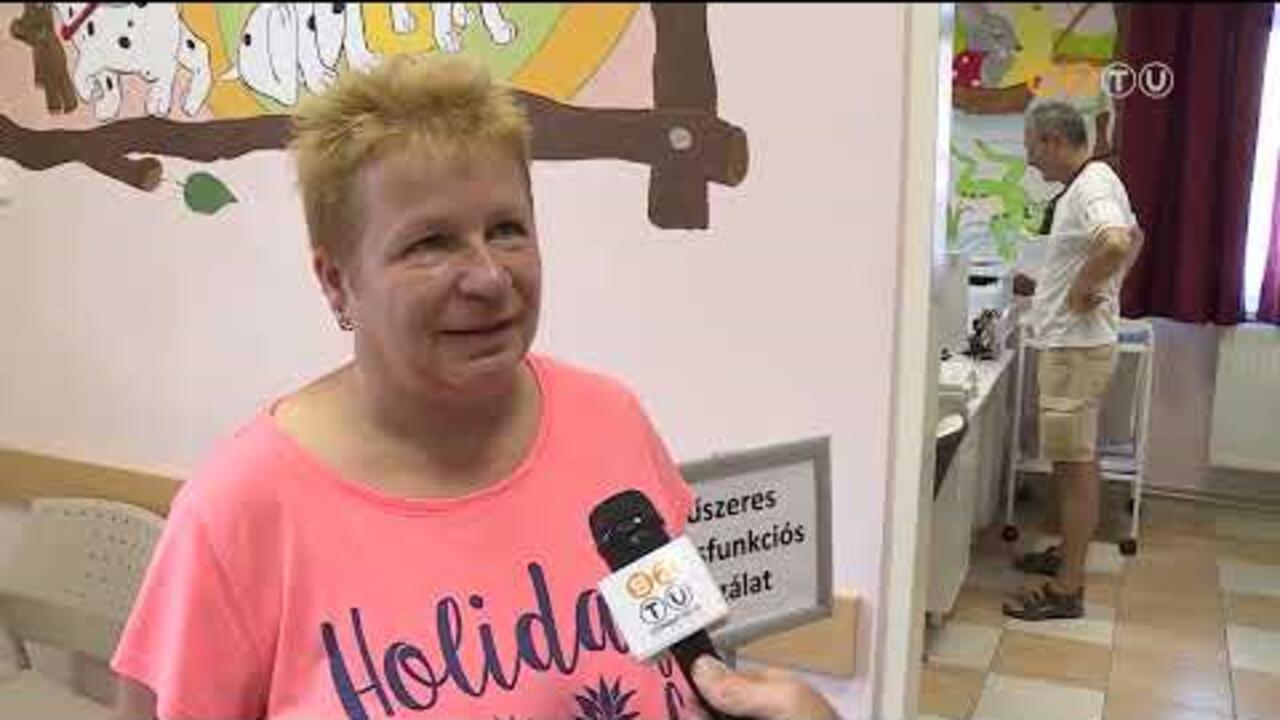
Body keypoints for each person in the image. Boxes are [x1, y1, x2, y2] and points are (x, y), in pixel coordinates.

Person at [109, 54, 837, 720]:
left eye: (508, 229)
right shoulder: (238, 511)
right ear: (336, 280)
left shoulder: (612, 422)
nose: (489, 277)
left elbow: (685, 671)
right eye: (430, 243)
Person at [1003, 100, 1144, 621]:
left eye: (1031, 149)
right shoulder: (1094, 181)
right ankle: (1068, 555)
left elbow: (1118, 242)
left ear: (1054, 141)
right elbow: (1135, 237)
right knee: (1072, 461)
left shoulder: (1091, 187)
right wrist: (1059, 285)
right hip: (1075, 345)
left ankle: (1067, 589)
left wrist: (1086, 287)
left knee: (1073, 466)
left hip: (1076, 350)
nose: (1030, 160)